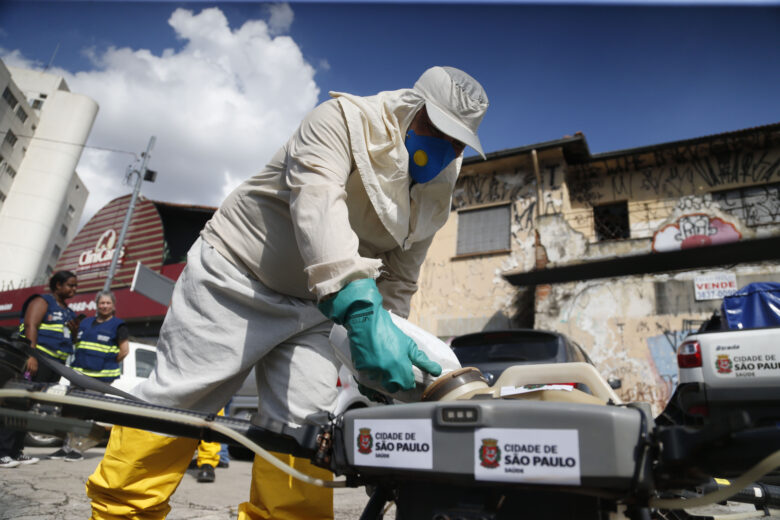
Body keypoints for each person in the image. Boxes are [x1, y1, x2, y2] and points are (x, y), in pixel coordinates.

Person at [86, 66, 489, 519]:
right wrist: (361, 312)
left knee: (304, 433)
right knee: (177, 407)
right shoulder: (340, 119)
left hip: (319, 311)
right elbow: (318, 207)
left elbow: (400, 275)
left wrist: (382, 340)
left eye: (457, 142)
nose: (445, 149)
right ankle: (120, 513)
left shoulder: (442, 184)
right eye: (435, 129)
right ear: (410, 108)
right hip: (236, 279)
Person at [0, 270, 79, 468]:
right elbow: (30, 325)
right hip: (38, 360)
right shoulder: (42, 301)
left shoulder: (68, 311)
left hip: (55, 365)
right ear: (58, 285)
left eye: (75, 285)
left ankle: (16, 451)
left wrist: (75, 331)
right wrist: (31, 355)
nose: (74, 289)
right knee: (17, 404)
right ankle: (2, 452)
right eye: (70, 285)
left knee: (30, 407)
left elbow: (70, 340)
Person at [48, 290, 129, 462]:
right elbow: (77, 341)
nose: (104, 306)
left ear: (113, 305)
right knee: (70, 411)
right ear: (97, 305)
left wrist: (107, 362)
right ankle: (66, 448)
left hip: (99, 378)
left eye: (108, 303)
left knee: (86, 413)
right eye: (102, 303)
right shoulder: (86, 322)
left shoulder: (118, 325)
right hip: (78, 374)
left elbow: (124, 351)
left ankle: (77, 450)